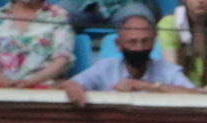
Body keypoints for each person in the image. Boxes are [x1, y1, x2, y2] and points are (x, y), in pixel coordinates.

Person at [63, 13, 196, 105]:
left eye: (145, 41)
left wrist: (144, 86)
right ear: (118, 44)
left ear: (154, 42)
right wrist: (74, 87)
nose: (139, 48)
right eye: (132, 42)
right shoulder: (105, 67)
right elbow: (72, 84)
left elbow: (194, 95)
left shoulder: (166, 69)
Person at [0, 0, 75, 88]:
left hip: (43, 87)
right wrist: (6, 83)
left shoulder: (59, 16)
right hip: (0, 87)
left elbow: (61, 60)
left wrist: (29, 82)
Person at [159, 0, 207, 94]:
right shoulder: (168, 24)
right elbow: (172, 73)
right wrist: (191, 94)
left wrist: (202, 94)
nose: (200, 1)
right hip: (181, 92)